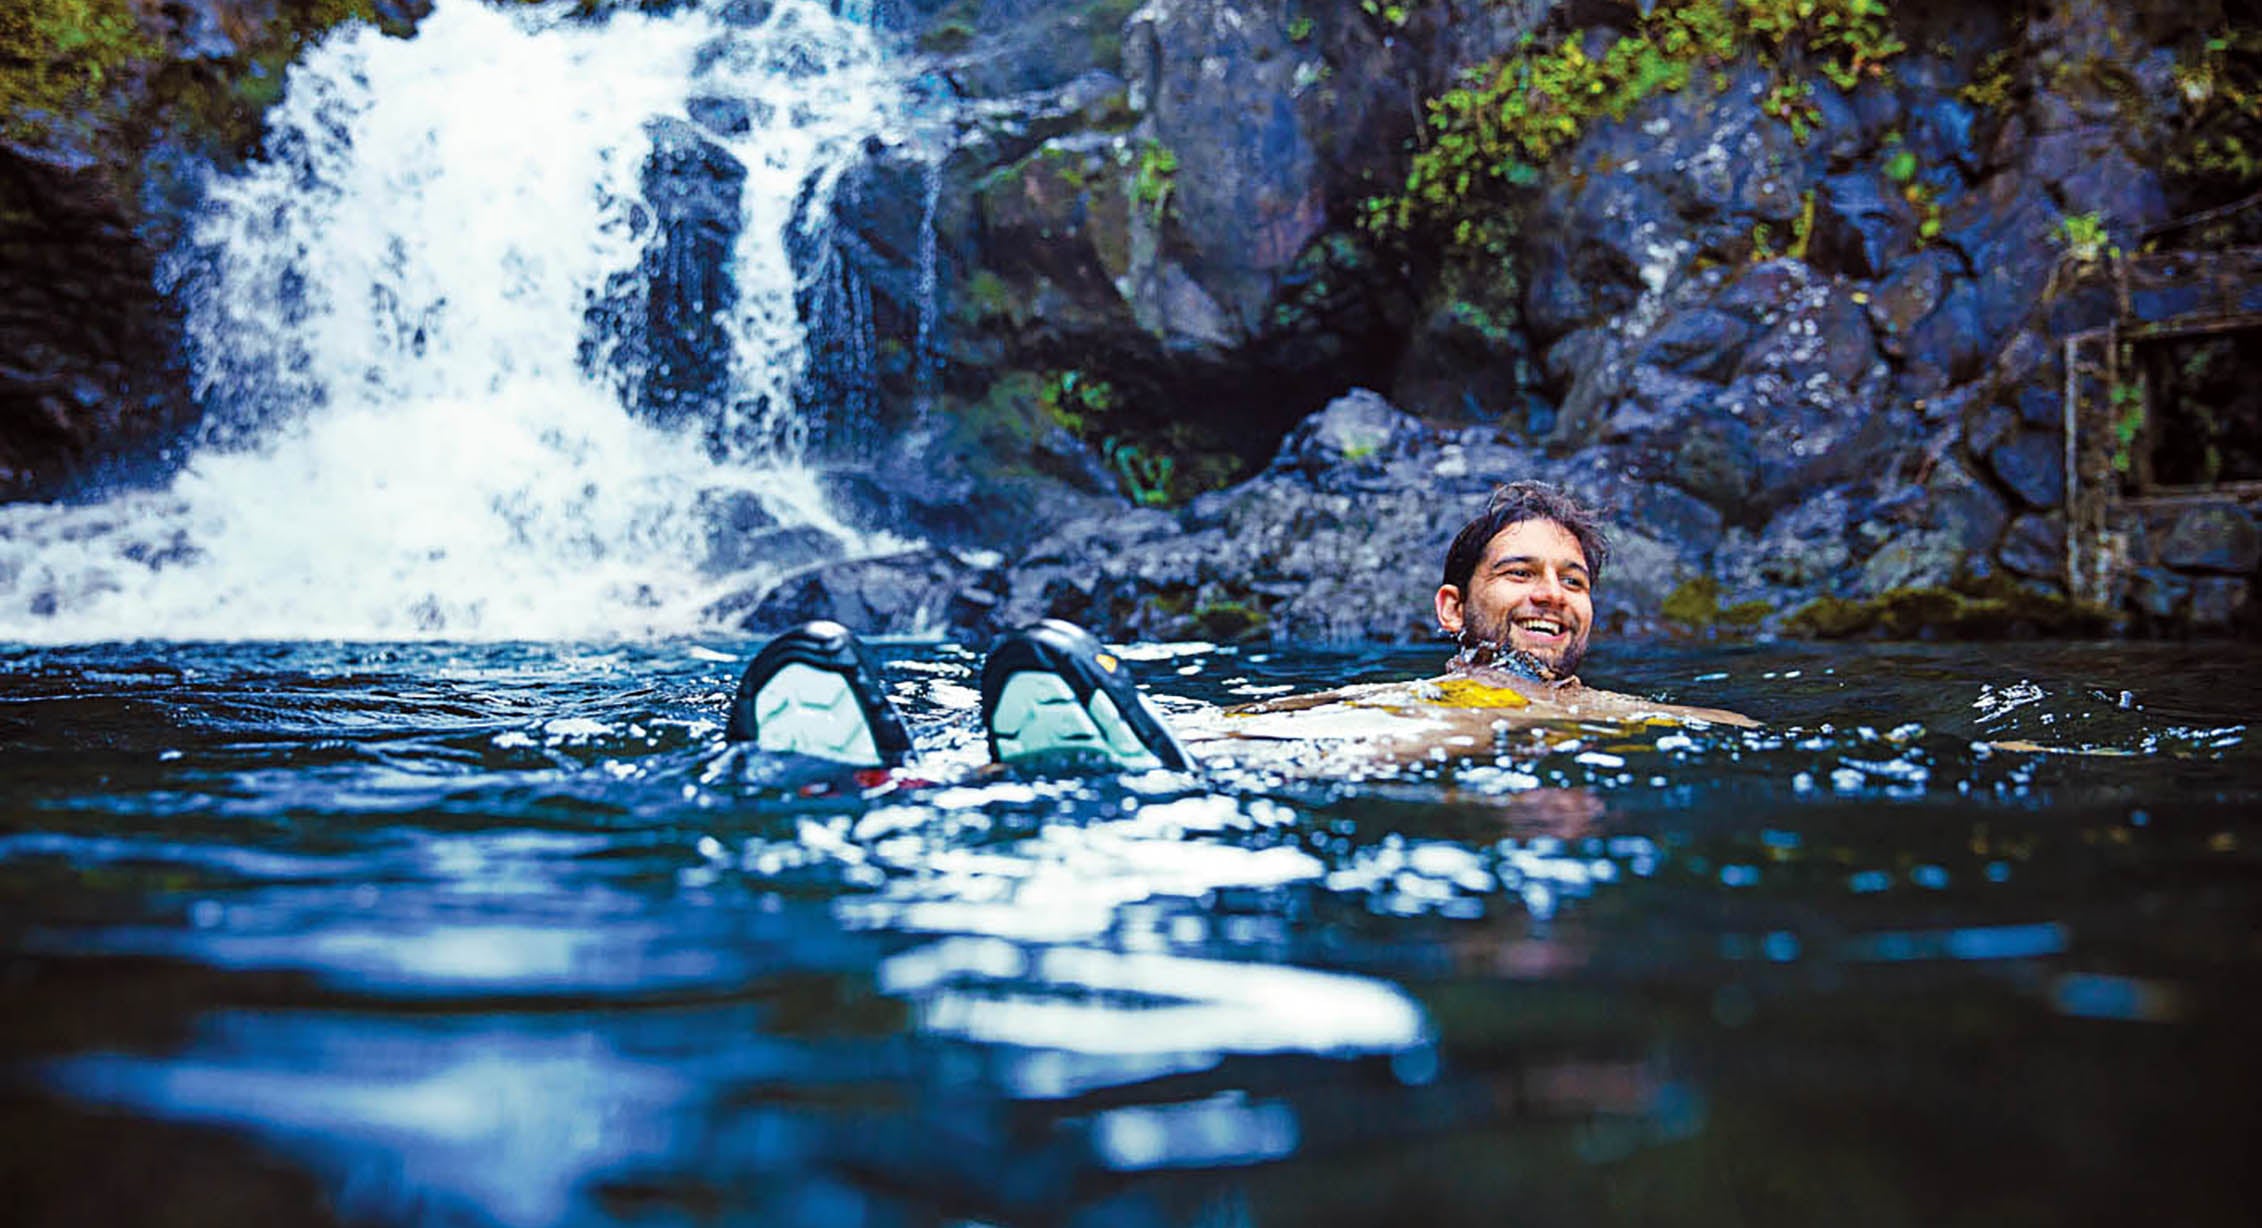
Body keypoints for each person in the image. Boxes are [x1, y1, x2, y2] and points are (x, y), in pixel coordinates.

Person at [724, 481, 1747, 774]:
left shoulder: (1596, 710)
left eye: (1570, 581)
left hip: (1314, 770)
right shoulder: (1411, 682)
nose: (1547, 595)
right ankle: (909, 758)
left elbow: (1717, 727)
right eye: (1518, 571)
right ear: (1454, 605)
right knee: (1232, 724)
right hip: (1310, 733)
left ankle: (914, 776)